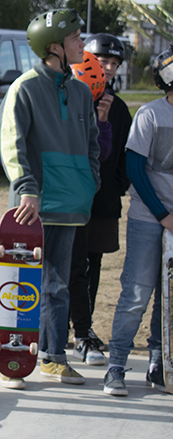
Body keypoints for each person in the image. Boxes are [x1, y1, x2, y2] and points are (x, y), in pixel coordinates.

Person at [0, 9, 100, 389]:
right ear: (55, 47)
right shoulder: (24, 87)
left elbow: (91, 145)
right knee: (22, 284)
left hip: (72, 203)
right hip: (33, 207)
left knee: (59, 284)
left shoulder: (80, 90)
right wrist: (26, 187)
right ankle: (14, 358)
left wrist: (90, 183)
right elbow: (12, 143)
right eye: (76, 39)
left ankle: (53, 357)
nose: (82, 45)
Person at [104, 43, 173, 396]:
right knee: (136, 292)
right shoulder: (150, 115)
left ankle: (159, 363)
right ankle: (116, 365)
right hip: (149, 218)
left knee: (169, 297)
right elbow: (135, 169)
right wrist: (164, 215)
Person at [69, 36, 133, 366]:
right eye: (101, 61)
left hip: (103, 202)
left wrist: (117, 186)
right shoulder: (73, 98)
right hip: (73, 200)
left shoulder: (119, 108)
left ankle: (85, 326)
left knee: (93, 266)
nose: (106, 69)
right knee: (70, 265)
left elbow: (124, 156)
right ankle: (69, 327)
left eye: (113, 64)